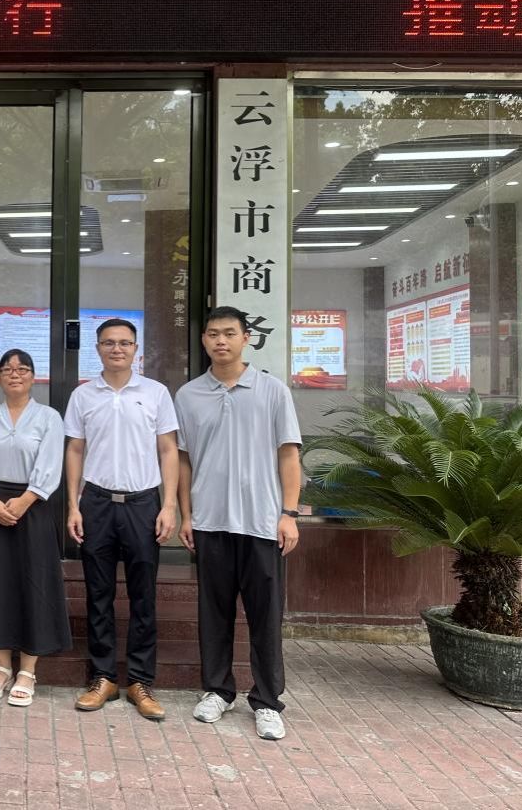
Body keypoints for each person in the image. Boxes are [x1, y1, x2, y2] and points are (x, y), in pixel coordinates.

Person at [176, 305, 303, 741]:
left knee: (266, 617)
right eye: (213, 333)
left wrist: (289, 513)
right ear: (204, 340)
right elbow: (183, 460)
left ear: (246, 338)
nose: (221, 341)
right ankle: (218, 690)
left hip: (262, 522)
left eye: (229, 333)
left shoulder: (272, 391)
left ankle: (267, 701)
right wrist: (187, 514)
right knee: (213, 613)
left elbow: (289, 454)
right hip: (210, 521)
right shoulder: (188, 395)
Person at [65, 317, 179, 720]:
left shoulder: (156, 393)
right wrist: (73, 505)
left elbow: (168, 450)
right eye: (109, 343)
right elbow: (75, 450)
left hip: (143, 504)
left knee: (143, 595)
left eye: (124, 343)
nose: (117, 349)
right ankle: (102, 678)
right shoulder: (83, 395)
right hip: (96, 502)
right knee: (98, 594)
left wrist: (168, 505)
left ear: (136, 349)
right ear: (97, 348)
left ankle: (140, 681)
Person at [0, 348, 71, 707]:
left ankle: (27, 669)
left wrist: (26, 500)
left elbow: (51, 463)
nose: (15, 374)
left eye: (22, 368)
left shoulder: (49, 418)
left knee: (34, 584)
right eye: (8, 369)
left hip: (34, 507)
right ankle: (1, 667)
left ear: (33, 376)